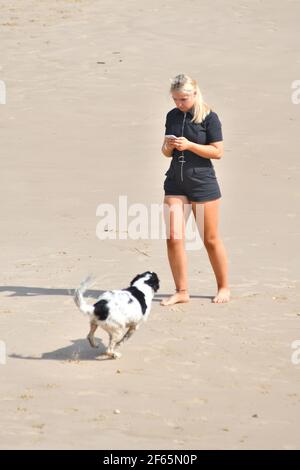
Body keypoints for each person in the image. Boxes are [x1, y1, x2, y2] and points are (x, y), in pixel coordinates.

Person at [160, 73, 230, 306]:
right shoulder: (171, 116)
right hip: (175, 182)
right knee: (173, 237)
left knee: (209, 239)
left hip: (203, 182)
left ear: (195, 93)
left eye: (183, 99)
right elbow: (165, 152)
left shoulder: (209, 117)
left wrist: (190, 145)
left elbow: (217, 152)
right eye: (175, 99)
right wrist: (168, 146)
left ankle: (223, 287)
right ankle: (182, 291)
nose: (179, 104)